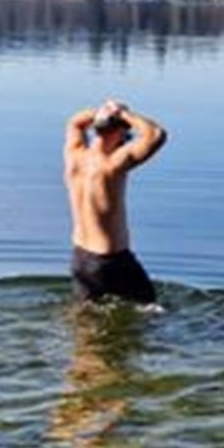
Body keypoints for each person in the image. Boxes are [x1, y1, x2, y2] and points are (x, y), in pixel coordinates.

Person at [64, 99, 167, 304]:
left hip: (80, 258)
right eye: (127, 136)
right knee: (152, 312)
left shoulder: (73, 157)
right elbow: (156, 134)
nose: (127, 142)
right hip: (112, 261)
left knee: (86, 320)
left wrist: (102, 113)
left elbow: (75, 122)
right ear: (120, 133)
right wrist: (123, 115)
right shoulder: (112, 165)